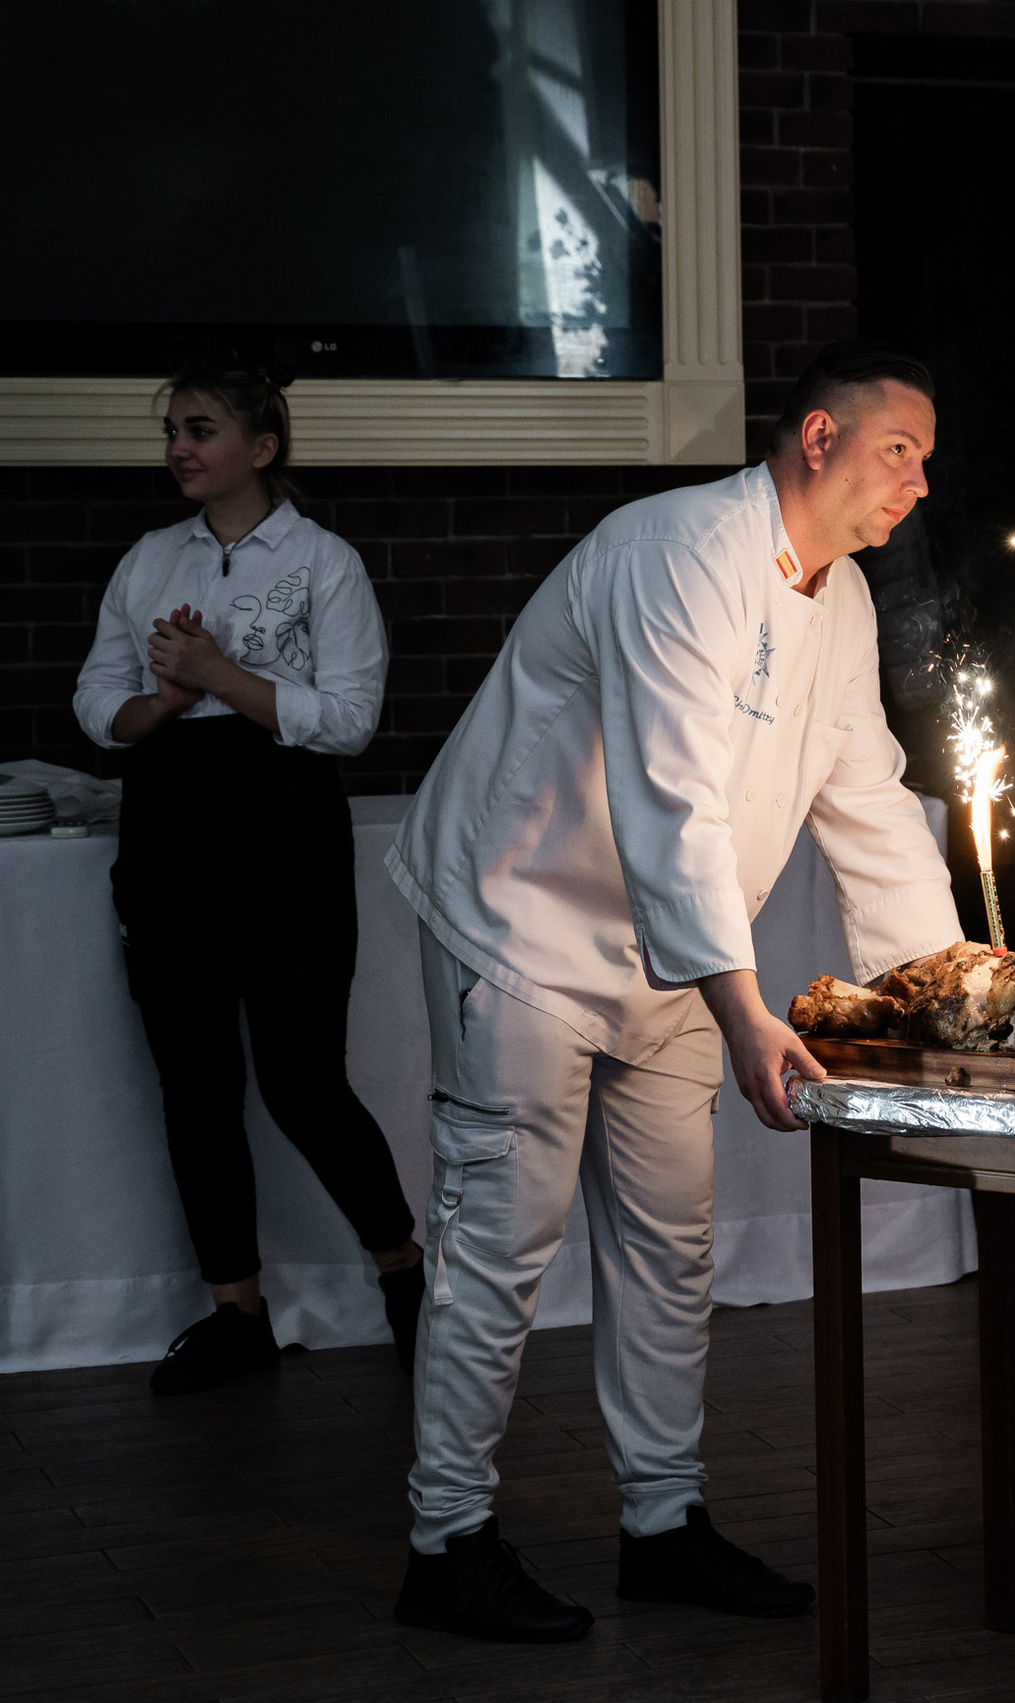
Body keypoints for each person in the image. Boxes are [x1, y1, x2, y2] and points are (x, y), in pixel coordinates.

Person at [384, 338, 964, 1642]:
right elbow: (671, 800)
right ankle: (446, 1541)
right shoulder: (677, 550)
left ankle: (664, 1521)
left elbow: (868, 799)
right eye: (900, 450)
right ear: (818, 438)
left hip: (677, 962)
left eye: (927, 459)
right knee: (501, 1243)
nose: (920, 482)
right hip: (522, 924)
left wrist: (943, 990)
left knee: (667, 1243)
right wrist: (743, 1009)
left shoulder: (843, 601)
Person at [72, 362, 424, 1393]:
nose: (178, 448)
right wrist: (166, 702)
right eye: (173, 431)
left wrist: (219, 674)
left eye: (200, 430)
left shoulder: (324, 562)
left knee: (303, 1083)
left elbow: (350, 720)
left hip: (283, 831)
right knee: (194, 1088)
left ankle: (405, 1273)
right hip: (169, 831)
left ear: (260, 448)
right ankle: (237, 1315)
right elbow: (97, 700)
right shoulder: (149, 558)